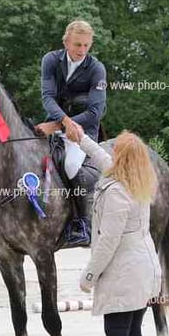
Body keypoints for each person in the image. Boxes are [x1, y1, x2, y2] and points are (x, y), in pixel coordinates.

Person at [69, 124, 162, 336]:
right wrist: (81, 137)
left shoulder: (117, 192)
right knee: (132, 333)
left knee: (117, 335)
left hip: (125, 273)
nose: (111, 151)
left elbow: (108, 242)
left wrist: (89, 275)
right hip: (143, 269)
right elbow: (101, 156)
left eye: (116, 149)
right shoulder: (137, 179)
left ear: (121, 157)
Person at [36, 19, 107, 246]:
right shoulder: (50, 60)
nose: (82, 50)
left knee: (71, 165)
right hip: (55, 124)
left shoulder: (96, 69)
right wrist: (61, 123)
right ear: (66, 42)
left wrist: (60, 126)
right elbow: (48, 97)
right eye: (77, 44)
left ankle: (81, 223)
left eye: (86, 45)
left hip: (82, 132)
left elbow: (95, 112)